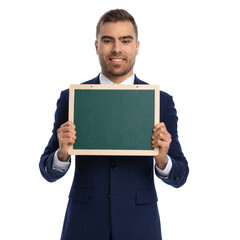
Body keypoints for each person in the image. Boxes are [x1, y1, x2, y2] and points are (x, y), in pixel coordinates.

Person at [39, 9, 189, 240]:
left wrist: (162, 159)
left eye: (125, 41)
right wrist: (62, 153)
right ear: (97, 46)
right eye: (108, 40)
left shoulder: (162, 102)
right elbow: (47, 171)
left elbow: (181, 174)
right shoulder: (72, 98)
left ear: (136, 46)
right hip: (84, 226)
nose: (117, 49)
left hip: (140, 226)